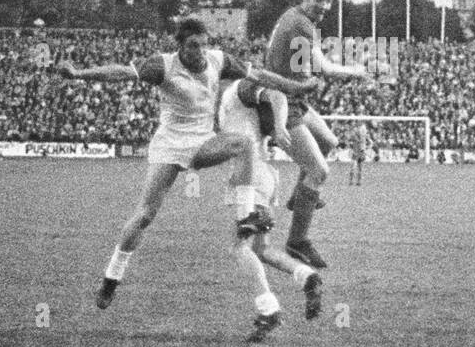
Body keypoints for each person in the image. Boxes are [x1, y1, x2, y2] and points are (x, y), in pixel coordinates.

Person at [57, 16, 319, 310]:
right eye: (193, 46)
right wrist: (80, 74)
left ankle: (247, 216)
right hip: (169, 146)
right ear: (180, 46)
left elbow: (260, 76)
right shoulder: (163, 65)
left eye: (204, 45)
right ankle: (112, 276)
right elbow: (120, 73)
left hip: (201, 142)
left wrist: (294, 88)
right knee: (145, 215)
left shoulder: (218, 60)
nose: (200, 52)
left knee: (243, 144)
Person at [264, 0, 372, 271]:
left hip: (294, 97)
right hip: (282, 103)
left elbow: (310, 66)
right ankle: (296, 242)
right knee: (319, 171)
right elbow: (321, 69)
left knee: (329, 141)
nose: (324, 5)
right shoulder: (301, 24)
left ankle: (299, 198)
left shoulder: (297, 17)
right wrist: (357, 72)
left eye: (328, 1)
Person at [218, 78, 324, 342]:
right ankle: (306, 275)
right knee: (261, 249)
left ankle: (269, 310)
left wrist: (278, 126)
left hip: (249, 177)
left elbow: (277, 96)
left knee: (238, 247)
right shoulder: (228, 104)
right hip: (265, 175)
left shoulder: (237, 89)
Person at [347, 121, 372, 186]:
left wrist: (366, 148)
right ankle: (351, 181)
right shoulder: (354, 136)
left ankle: (358, 181)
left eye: (362, 129)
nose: (361, 130)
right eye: (360, 129)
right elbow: (348, 140)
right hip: (355, 153)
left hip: (361, 153)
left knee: (359, 168)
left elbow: (371, 143)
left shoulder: (365, 136)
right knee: (353, 167)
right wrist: (351, 146)